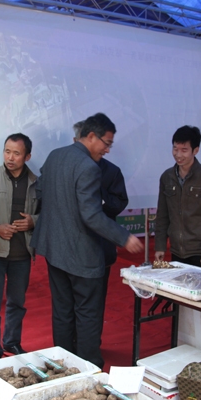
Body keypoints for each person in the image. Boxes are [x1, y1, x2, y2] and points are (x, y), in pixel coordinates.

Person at [31, 112, 143, 368]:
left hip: (54, 249)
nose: (108, 150)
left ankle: (61, 364)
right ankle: (89, 368)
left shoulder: (55, 155)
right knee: (88, 314)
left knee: (62, 311)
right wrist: (123, 237)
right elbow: (91, 215)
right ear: (91, 136)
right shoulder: (88, 167)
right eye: (107, 143)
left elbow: (40, 192)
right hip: (82, 254)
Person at [0, 133, 39, 359]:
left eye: (16, 153)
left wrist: (33, 221)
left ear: (27, 156)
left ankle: (12, 342)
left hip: (22, 253)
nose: (10, 157)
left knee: (17, 303)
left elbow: (48, 213)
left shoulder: (36, 184)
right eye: (7, 151)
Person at [154, 125, 201, 269]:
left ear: (195, 150)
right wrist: (160, 246)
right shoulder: (167, 177)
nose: (178, 154)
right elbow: (162, 215)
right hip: (176, 251)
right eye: (175, 149)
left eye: (184, 150)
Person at [73, 121, 129, 296]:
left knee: (94, 302)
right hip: (69, 250)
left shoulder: (112, 171)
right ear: (75, 141)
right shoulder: (64, 167)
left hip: (98, 250)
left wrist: (99, 194)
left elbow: (119, 203)